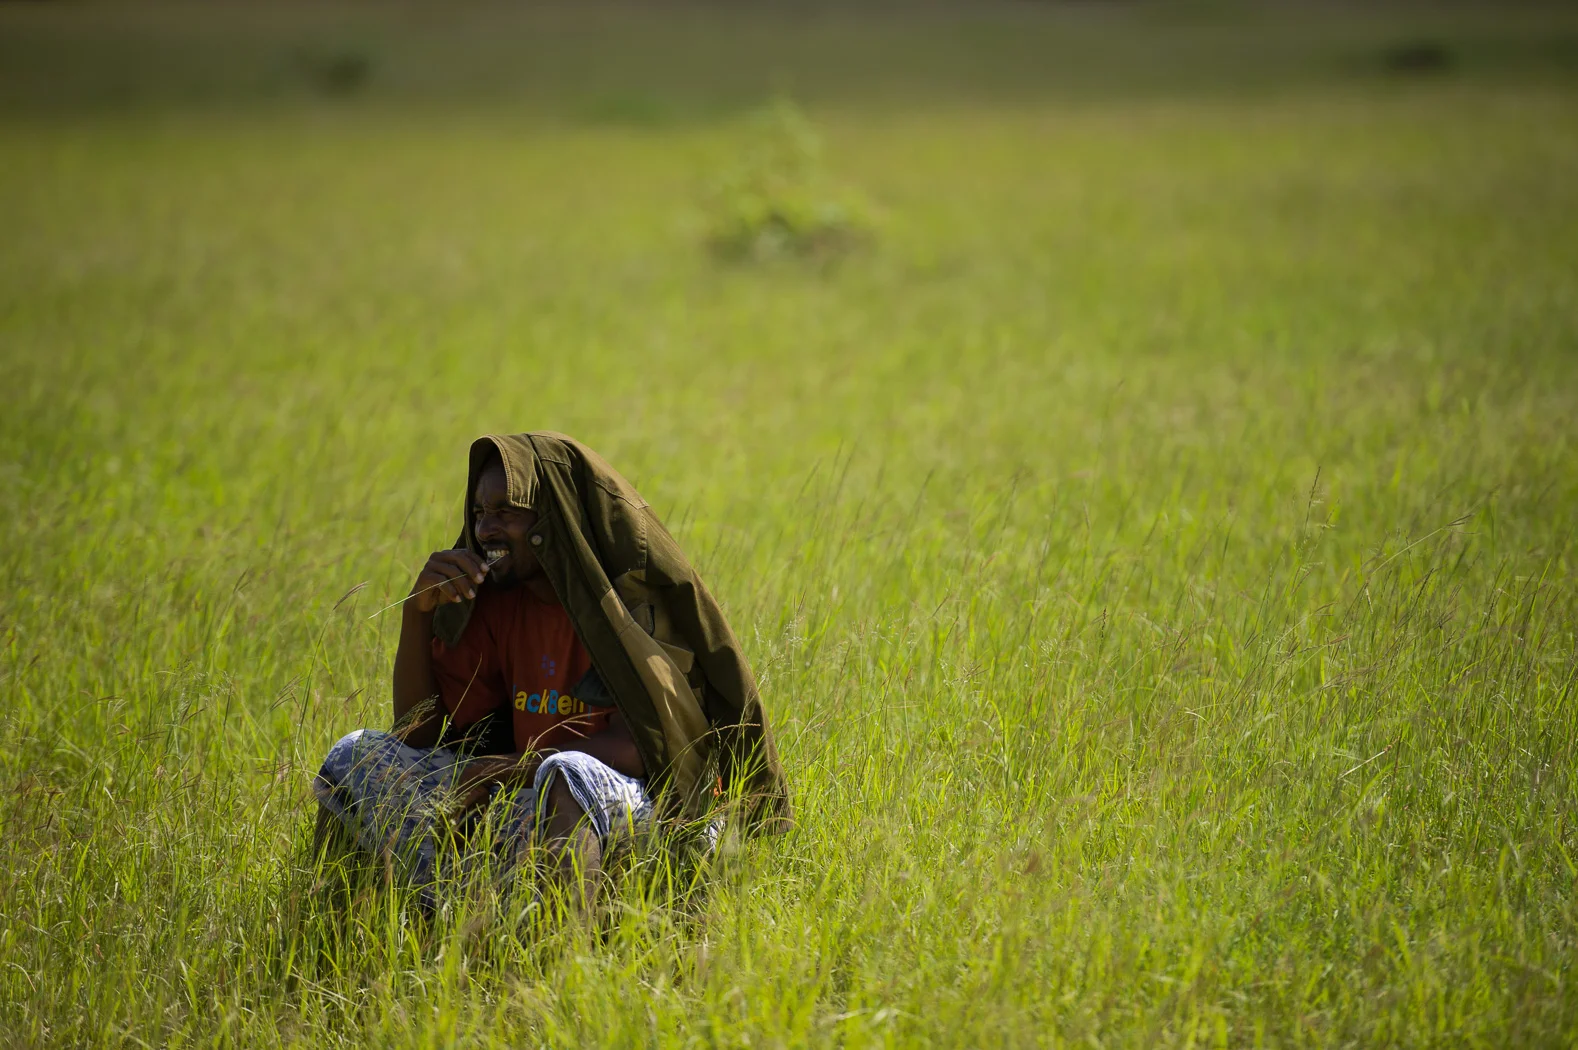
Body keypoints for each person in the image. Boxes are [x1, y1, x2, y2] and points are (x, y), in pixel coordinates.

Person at [313, 432, 791, 911]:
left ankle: (564, 953)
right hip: (531, 803)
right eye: (479, 513)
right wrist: (416, 614)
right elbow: (417, 733)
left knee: (566, 774)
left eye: (505, 511)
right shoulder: (500, 603)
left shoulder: (624, 602)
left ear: (552, 517)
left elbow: (639, 748)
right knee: (355, 756)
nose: (485, 530)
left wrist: (505, 768)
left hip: (648, 811)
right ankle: (342, 928)